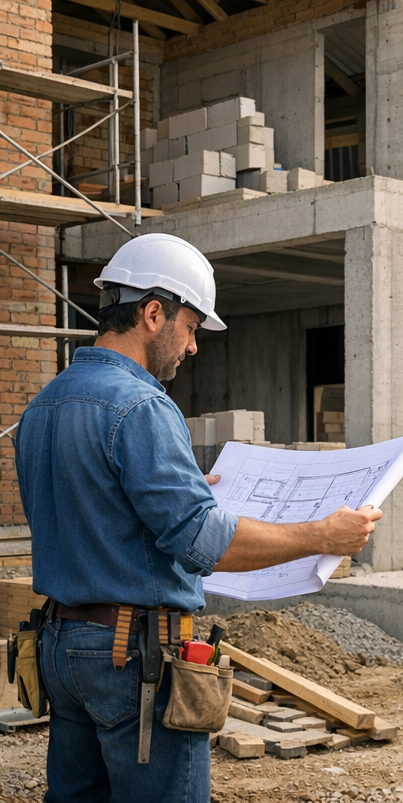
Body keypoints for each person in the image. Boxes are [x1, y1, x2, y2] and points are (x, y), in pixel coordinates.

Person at [14, 233, 383, 803]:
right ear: (153, 313)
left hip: (63, 649)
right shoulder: (142, 406)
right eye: (190, 327)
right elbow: (201, 541)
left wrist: (179, 490)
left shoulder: (45, 404)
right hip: (131, 657)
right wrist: (322, 535)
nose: (192, 347)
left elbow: (87, 507)